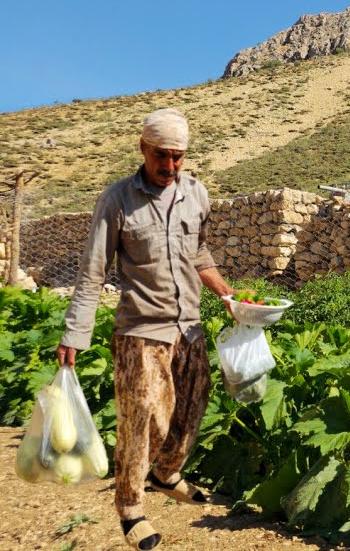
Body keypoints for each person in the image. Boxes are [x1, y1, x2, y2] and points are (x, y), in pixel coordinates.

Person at [57, 108, 243, 550]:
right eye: (162, 155)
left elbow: (199, 253)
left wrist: (227, 294)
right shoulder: (118, 199)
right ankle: (130, 506)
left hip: (189, 328)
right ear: (143, 148)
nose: (170, 165)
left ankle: (166, 474)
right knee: (144, 420)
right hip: (141, 330)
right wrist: (75, 332)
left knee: (192, 408)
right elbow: (93, 270)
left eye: (178, 156)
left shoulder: (196, 194)